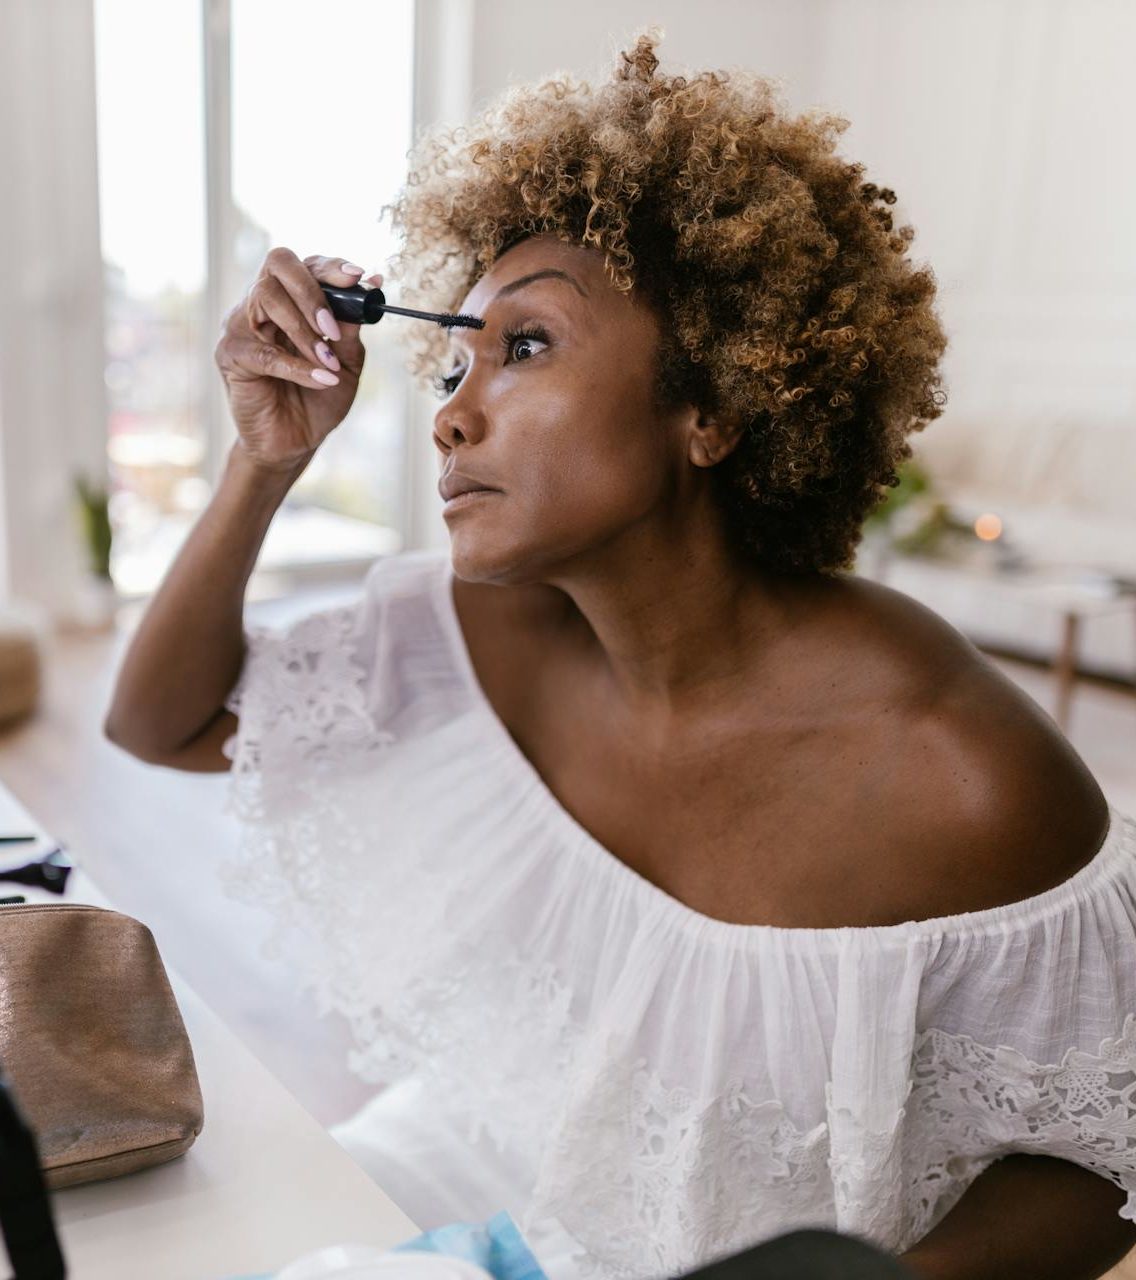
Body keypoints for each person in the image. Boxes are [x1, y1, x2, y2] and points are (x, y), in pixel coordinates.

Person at [103, 30, 1136, 1280]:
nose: (451, 409)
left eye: (525, 344)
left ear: (710, 410)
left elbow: (1102, 1163)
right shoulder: (474, 637)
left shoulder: (954, 768)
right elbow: (157, 724)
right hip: (510, 1166)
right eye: (451, 360)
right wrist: (265, 459)